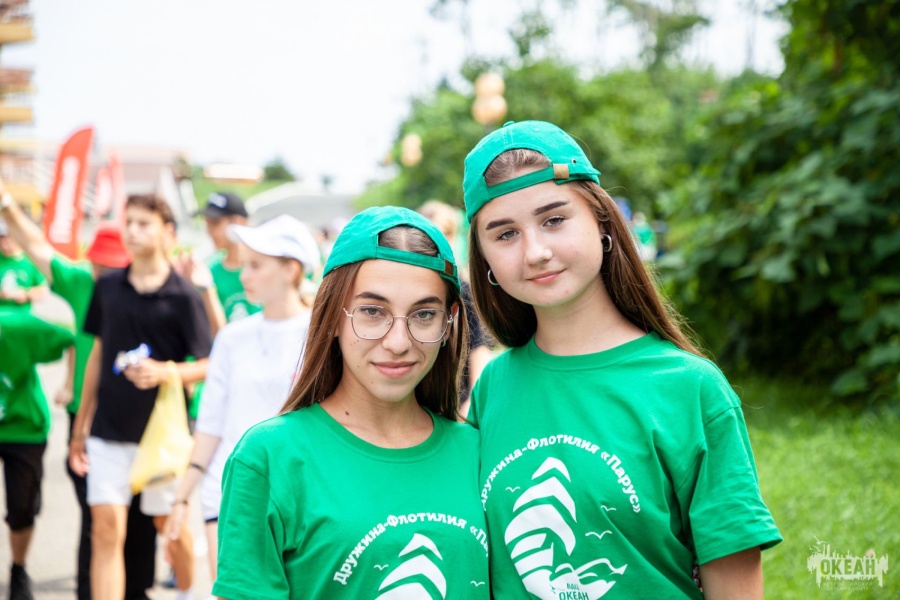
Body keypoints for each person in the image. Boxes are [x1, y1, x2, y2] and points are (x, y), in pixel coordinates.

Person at [461, 120, 782, 599]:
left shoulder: (690, 387)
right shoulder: (492, 388)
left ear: (602, 222)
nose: (536, 252)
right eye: (505, 234)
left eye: (554, 220)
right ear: (483, 258)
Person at [213, 206, 489, 599]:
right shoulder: (269, 458)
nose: (399, 342)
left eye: (424, 314)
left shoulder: (479, 451)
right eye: (372, 312)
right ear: (332, 316)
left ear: (450, 322)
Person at [0, 187, 163, 600]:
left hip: (141, 414)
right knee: (98, 516)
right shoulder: (80, 282)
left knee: (139, 518)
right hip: (88, 416)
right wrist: (7, 206)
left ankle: (134, 590)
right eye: (98, 265)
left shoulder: (147, 285)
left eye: (112, 265)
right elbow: (36, 246)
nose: (104, 273)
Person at [69, 194, 212, 600]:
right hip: (108, 431)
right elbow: (98, 354)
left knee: (170, 528)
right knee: (105, 530)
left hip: (163, 438)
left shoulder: (183, 295)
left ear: (167, 232)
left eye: (143, 223)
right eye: (128, 221)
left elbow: (209, 363)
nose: (132, 230)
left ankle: (187, 592)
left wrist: (166, 372)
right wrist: (80, 427)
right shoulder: (107, 287)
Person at [164, 215, 320, 587]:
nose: (244, 275)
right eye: (244, 265)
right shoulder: (232, 338)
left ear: (291, 269)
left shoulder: (321, 335)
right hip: (227, 489)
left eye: (255, 265)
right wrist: (182, 497)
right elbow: (211, 422)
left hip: (298, 493)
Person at [0, 308, 73, 600]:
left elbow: (73, 338)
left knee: (21, 507)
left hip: (24, 426)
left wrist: (69, 385)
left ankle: (19, 567)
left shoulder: (19, 327)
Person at [417, 199, 494, 416]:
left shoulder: (465, 290)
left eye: (444, 235)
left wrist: (472, 403)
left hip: (457, 404)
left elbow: (478, 349)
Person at [0, 220, 48, 311]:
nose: (4, 242)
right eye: (1, 238)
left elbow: (42, 290)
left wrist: (25, 294)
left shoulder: (30, 261)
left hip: (21, 314)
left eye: (8, 237)